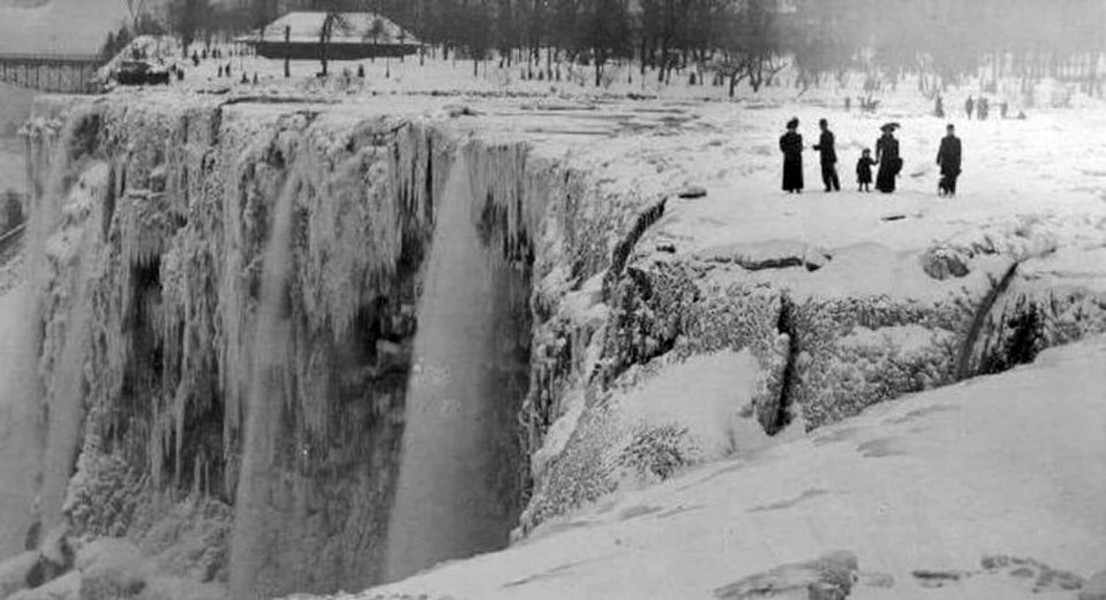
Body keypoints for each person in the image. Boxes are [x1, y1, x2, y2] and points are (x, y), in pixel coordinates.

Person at [812, 118, 840, 192]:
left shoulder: (826, 134)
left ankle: (831, 186)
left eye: (822, 125)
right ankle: (834, 186)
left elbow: (826, 146)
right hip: (828, 156)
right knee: (830, 172)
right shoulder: (829, 134)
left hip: (827, 156)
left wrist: (817, 147)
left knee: (828, 172)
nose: (821, 127)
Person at [779, 117, 804, 194]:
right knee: (789, 173)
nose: (792, 130)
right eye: (791, 128)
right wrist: (788, 151)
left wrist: (797, 149)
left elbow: (800, 147)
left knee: (797, 173)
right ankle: (790, 187)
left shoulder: (798, 136)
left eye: (793, 128)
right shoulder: (784, 137)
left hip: (796, 157)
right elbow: (782, 147)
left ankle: (798, 187)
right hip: (789, 157)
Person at [936, 124, 962, 196]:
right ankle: (945, 190)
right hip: (946, 162)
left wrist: (959, 163)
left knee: (953, 177)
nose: (950, 132)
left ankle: (952, 191)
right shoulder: (944, 140)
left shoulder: (957, 140)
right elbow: (941, 150)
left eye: (951, 130)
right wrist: (938, 159)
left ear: (953, 131)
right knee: (947, 177)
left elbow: (959, 152)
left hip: (954, 162)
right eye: (948, 130)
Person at [875, 123, 901, 193]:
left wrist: (897, 161)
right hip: (884, 158)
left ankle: (890, 187)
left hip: (892, 158)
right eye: (886, 131)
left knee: (890, 173)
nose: (887, 132)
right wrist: (877, 158)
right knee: (883, 171)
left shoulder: (895, 141)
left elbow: (897, 151)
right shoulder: (880, 140)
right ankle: (881, 186)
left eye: (889, 131)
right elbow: (877, 150)